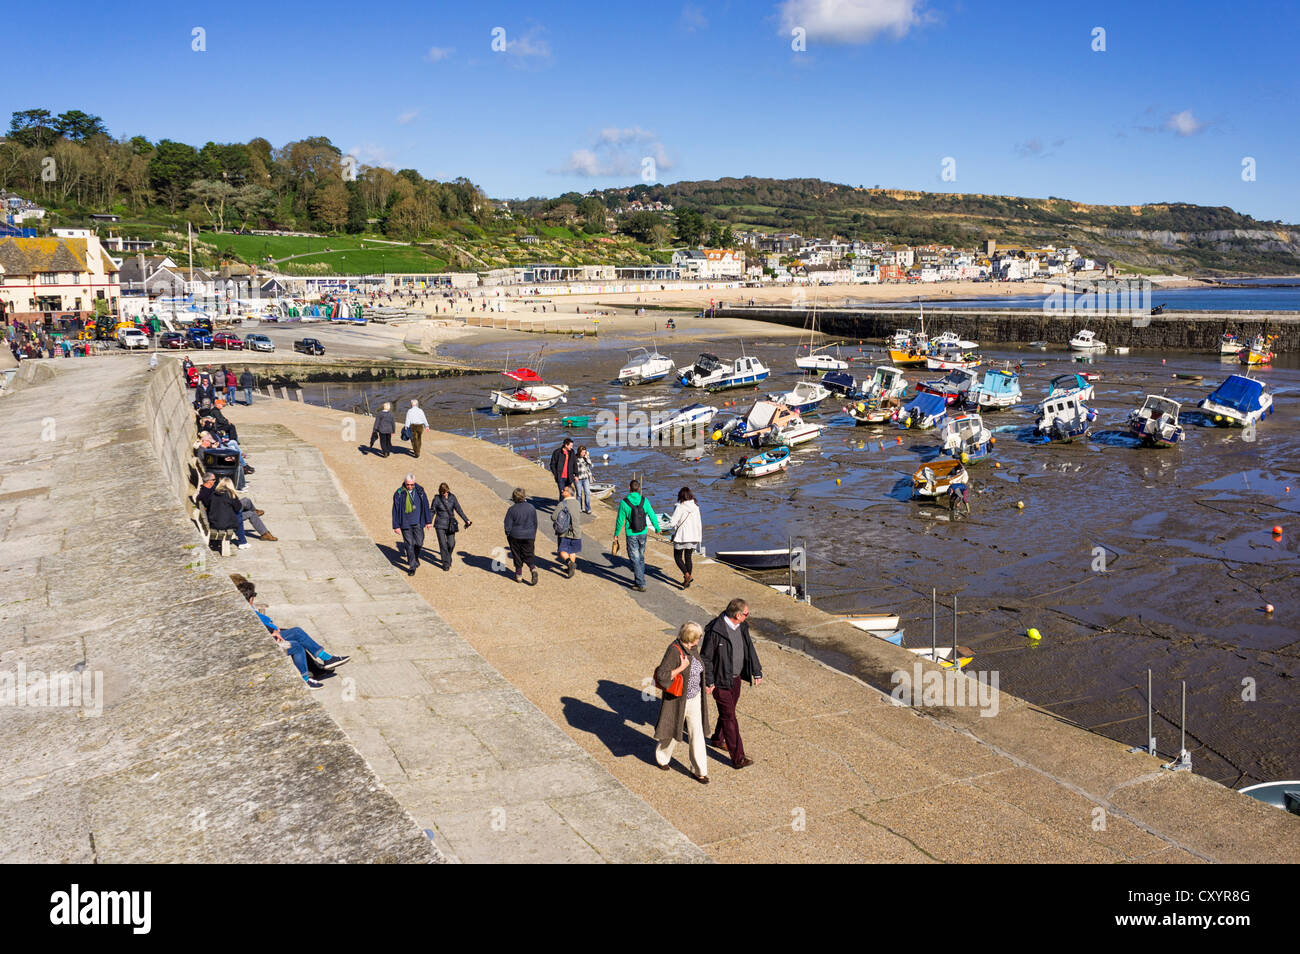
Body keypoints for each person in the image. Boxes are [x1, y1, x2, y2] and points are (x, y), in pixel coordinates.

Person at [236, 578, 349, 689]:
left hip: (267, 635)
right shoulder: (246, 611)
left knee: (297, 633)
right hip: (264, 641)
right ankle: (308, 677)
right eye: (254, 595)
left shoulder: (244, 608)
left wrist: (273, 630)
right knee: (296, 642)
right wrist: (272, 631)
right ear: (250, 598)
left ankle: (322, 662)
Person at [701, 598, 763, 770]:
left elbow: (749, 648)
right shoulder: (715, 630)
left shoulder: (742, 626)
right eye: (746, 614)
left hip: (735, 678)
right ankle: (738, 758)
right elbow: (705, 658)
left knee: (728, 711)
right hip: (720, 681)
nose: (747, 616)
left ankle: (717, 739)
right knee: (730, 717)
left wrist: (756, 671)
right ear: (737, 614)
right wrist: (709, 681)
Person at [653, 621, 711, 783]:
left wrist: (706, 684)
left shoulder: (693, 648)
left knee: (697, 734)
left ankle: (700, 771)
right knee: (672, 732)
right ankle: (662, 757)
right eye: (698, 637)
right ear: (691, 638)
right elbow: (662, 676)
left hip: (695, 698)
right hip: (678, 699)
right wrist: (681, 667)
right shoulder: (674, 650)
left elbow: (698, 669)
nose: (699, 639)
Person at [197, 472, 277, 541]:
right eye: (214, 480)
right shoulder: (205, 493)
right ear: (208, 481)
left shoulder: (210, 488)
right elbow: (213, 505)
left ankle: (255, 512)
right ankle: (264, 533)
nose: (215, 481)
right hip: (224, 513)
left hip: (224, 509)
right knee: (251, 513)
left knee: (246, 500)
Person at [612, 479, 661, 592]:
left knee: (634, 558)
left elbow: (620, 520)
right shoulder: (645, 500)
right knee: (640, 556)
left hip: (631, 533)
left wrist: (616, 534)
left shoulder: (624, 502)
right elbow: (652, 514)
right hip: (643, 532)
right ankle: (638, 579)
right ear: (639, 489)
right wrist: (657, 528)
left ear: (629, 488)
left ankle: (641, 583)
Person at [391, 474, 432, 575]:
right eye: (408, 484)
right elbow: (395, 510)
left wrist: (428, 521)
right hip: (405, 523)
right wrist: (396, 525)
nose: (410, 486)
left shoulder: (420, 491)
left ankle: (415, 557)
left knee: (419, 543)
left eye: (412, 484)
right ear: (405, 483)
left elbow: (426, 505)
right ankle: (412, 566)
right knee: (409, 545)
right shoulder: (399, 493)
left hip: (418, 522)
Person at [666, 487, 702, 588]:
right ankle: (687, 581)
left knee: (677, 557)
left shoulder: (680, 507)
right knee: (688, 558)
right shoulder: (696, 507)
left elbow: (673, 522)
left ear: (680, 496)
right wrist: (699, 537)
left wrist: (663, 526)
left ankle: (687, 576)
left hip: (683, 536)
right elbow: (699, 523)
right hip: (694, 535)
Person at [431, 482, 471, 571]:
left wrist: (466, 520)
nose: (445, 494)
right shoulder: (436, 499)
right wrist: (429, 522)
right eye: (443, 493)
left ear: (448, 490)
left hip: (450, 524)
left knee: (451, 543)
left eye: (446, 492)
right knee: (443, 544)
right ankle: (446, 564)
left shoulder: (453, 497)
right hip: (440, 524)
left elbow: (458, 509)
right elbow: (432, 511)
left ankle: (447, 557)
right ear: (440, 492)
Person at [503, 487, 538, 585]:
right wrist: (533, 534)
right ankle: (533, 569)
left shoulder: (512, 510)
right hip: (529, 535)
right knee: (528, 553)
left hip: (515, 535)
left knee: (517, 554)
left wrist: (508, 533)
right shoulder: (531, 507)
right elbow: (535, 523)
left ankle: (519, 575)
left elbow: (507, 525)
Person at [208, 477, 248, 550]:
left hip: (214, 522)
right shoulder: (230, 494)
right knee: (238, 515)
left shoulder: (213, 493)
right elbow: (238, 508)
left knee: (237, 515)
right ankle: (242, 542)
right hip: (224, 524)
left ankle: (243, 542)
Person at [552, 485, 582, 578]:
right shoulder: (577, 503)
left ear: (568, 492)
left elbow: (553, 517)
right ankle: (570, 569)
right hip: (576, 532)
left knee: (562, 551)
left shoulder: (562, 504)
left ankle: (570, 564)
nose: (562, 491)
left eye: (564, 490)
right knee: (572, 551)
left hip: (565, 532)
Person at [574, 445, 594, 514]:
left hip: (585, 478)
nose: (583, 453)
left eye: (584, 452)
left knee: (587, 493)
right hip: (578, 479)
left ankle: (587, 508)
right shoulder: (575, 458)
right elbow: (572, 467)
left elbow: (591, 465)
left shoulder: (585, 457)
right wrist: (574, 476)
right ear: (579, 452)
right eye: (582, 452)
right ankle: (579, 508)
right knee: (579, 494)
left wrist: (587, 458)